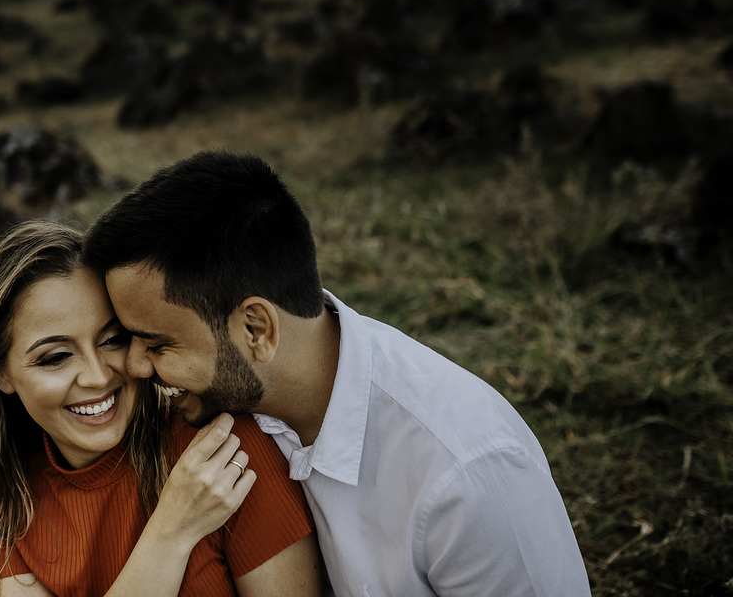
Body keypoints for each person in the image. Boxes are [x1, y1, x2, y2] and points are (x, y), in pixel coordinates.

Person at [83, 150, 592, 597]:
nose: (132, 365)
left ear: (256, 329)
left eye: (158, 344)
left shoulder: (466, 472)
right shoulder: (230, 405)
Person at [0, 219, 324, 597]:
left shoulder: (223, 450)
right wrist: (171, 532)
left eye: (113, 339)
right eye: (56, 357)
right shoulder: (1, 494)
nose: (96, 377)